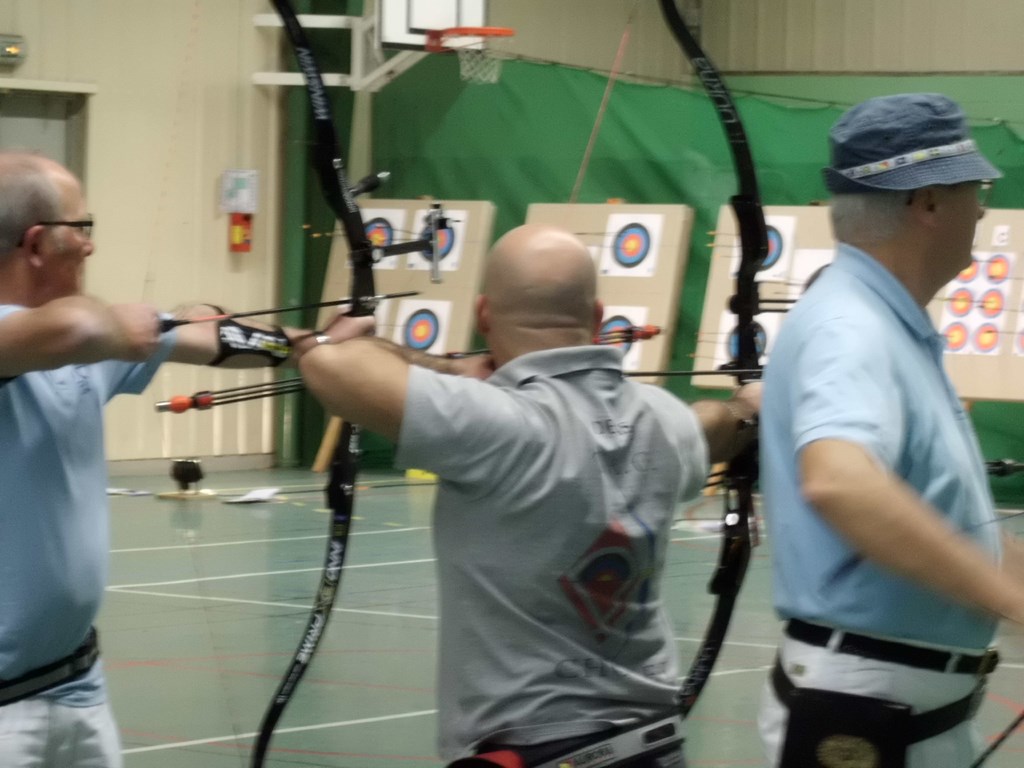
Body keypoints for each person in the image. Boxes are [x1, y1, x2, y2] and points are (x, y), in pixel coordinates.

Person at [299, 223, 761, 768]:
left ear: (482, 315)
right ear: (597, 317)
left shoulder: (490, 421)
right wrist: (750, 405)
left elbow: (330, 361)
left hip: (536, 750)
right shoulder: (662, 418)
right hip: (653, 746)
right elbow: (714, 424)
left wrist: (448, 369)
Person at [0, 151, 372, 767]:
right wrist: (132, 326)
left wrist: (315, 344)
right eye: (80, 228)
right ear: (37, 244)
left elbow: (212, 338)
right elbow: (75, 331)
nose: (90, 247)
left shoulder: (94, 337)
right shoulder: (54, 335)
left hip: (77, 683)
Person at [757, 93, 1024, 768]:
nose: (983, 210)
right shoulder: (854, 327)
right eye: (974, 190)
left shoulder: (884, 324)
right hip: (866, 720)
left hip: (898, 716)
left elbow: (951, 523)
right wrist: (1011, 599)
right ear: (927, 201)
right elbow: (841, 483)